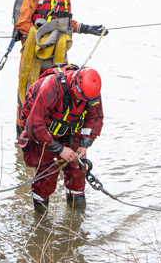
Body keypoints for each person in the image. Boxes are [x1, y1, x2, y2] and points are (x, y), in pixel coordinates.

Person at [15, 0, 108, 131]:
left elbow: (66, 22)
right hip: (35, 54)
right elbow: (22, 23)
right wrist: (44, 36)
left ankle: (48, 131)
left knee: (55, 92)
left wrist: (87, 28)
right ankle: (22, 134)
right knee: (28, 93)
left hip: (57, 55)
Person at [18, 64, 104, 213]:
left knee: (78, 171)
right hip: (44, 132)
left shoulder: (91, 91)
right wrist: (58, 149)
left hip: (70, 130)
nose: (81, 101)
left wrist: (85, 144)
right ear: (74, 87)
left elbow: (95, 117)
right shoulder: (50, 87)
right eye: (79, 98)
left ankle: (77, 213)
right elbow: (35, 124)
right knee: (47, 176)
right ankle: (41, 220)